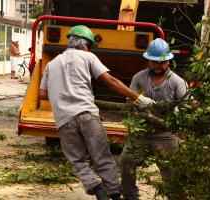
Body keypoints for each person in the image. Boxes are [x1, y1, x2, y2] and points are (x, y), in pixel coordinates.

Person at [38, 25, 155, 200]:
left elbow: (42, 94)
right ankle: (114, 192)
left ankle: (96, 188)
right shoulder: (88, 57)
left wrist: (63, 94)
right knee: (102, 156)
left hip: (64, 120)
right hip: (87, 114)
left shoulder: (52, 64)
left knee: (77, 161)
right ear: (86, 45)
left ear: (70, 42)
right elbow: (111, 81)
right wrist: (137, 98)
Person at [120, 38, 187, 200]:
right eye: (154, 62)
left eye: (161, 62)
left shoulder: (177, 82)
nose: (157, 65)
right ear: (148, 61)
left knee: (171, 170)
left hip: (166, 133)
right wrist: (137, 102)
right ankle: (130, 196)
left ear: (168, 61)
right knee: (126, 160)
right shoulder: (139, 78)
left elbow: (188, 106)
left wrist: (182, 113)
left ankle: (175, 196)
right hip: (141, 132)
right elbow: (129, 103)